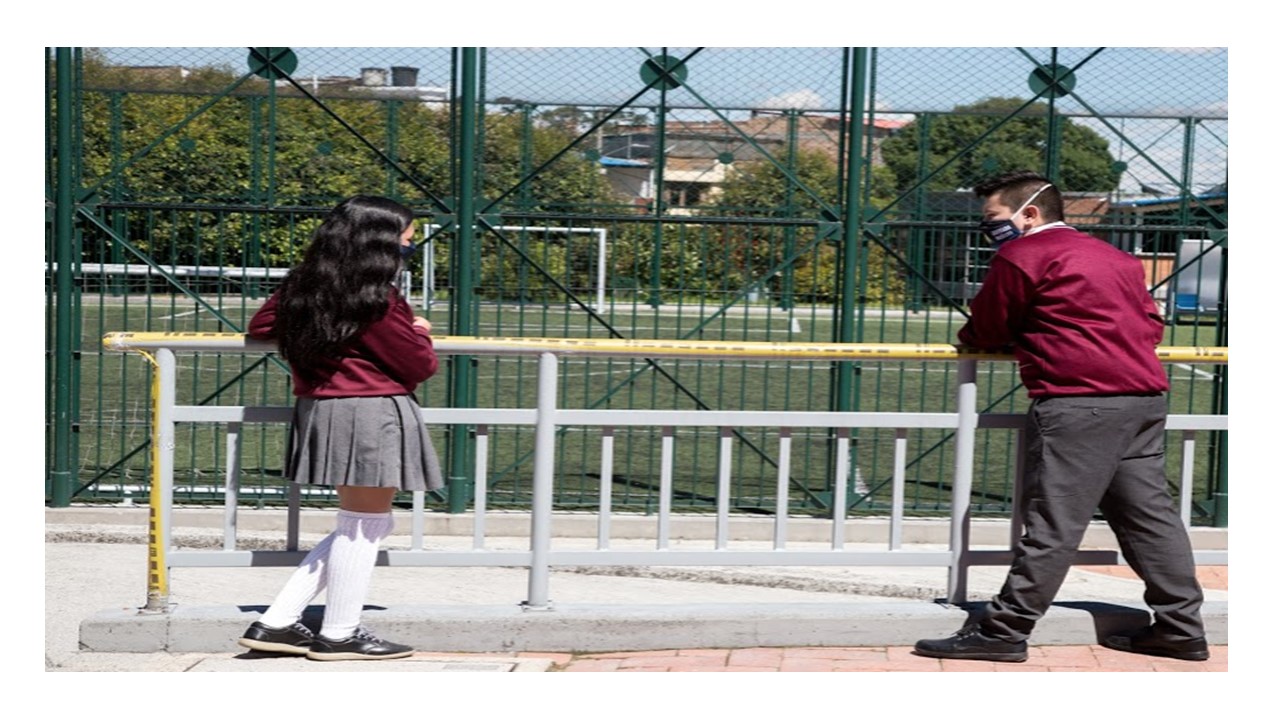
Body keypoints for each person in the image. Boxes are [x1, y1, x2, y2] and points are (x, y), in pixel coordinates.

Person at [913, 170, 1209, 663]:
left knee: (1053, 523)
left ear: (1030, 213)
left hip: (1080, 401)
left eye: (994, 218)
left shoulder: (1022, 254)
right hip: (1143, 398)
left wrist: (1009, 338)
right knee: (1151, 520)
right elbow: (1152, 324)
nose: (990, 229)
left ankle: (1004, 630)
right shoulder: (1116, 257)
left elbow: (986, 327)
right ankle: (1181, 627)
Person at [236, 195, 443, 661]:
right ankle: (339, 633)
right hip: (370, 410)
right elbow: (419, 363)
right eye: (406, 243)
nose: (407, 251)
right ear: (381, 243)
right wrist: (419, 329)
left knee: (365, 522)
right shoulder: (375, 299)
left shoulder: (307, 285)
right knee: (365, 525)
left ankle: (277, 623)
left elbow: (263, 323)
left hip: (324, 407)